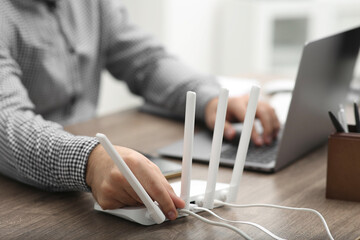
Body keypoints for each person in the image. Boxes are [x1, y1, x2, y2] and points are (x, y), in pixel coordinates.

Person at [0, 0, 280, 221]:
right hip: (21, 194)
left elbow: (146, 61)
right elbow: (5, 117)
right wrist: (89, 161)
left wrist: (209, 98)